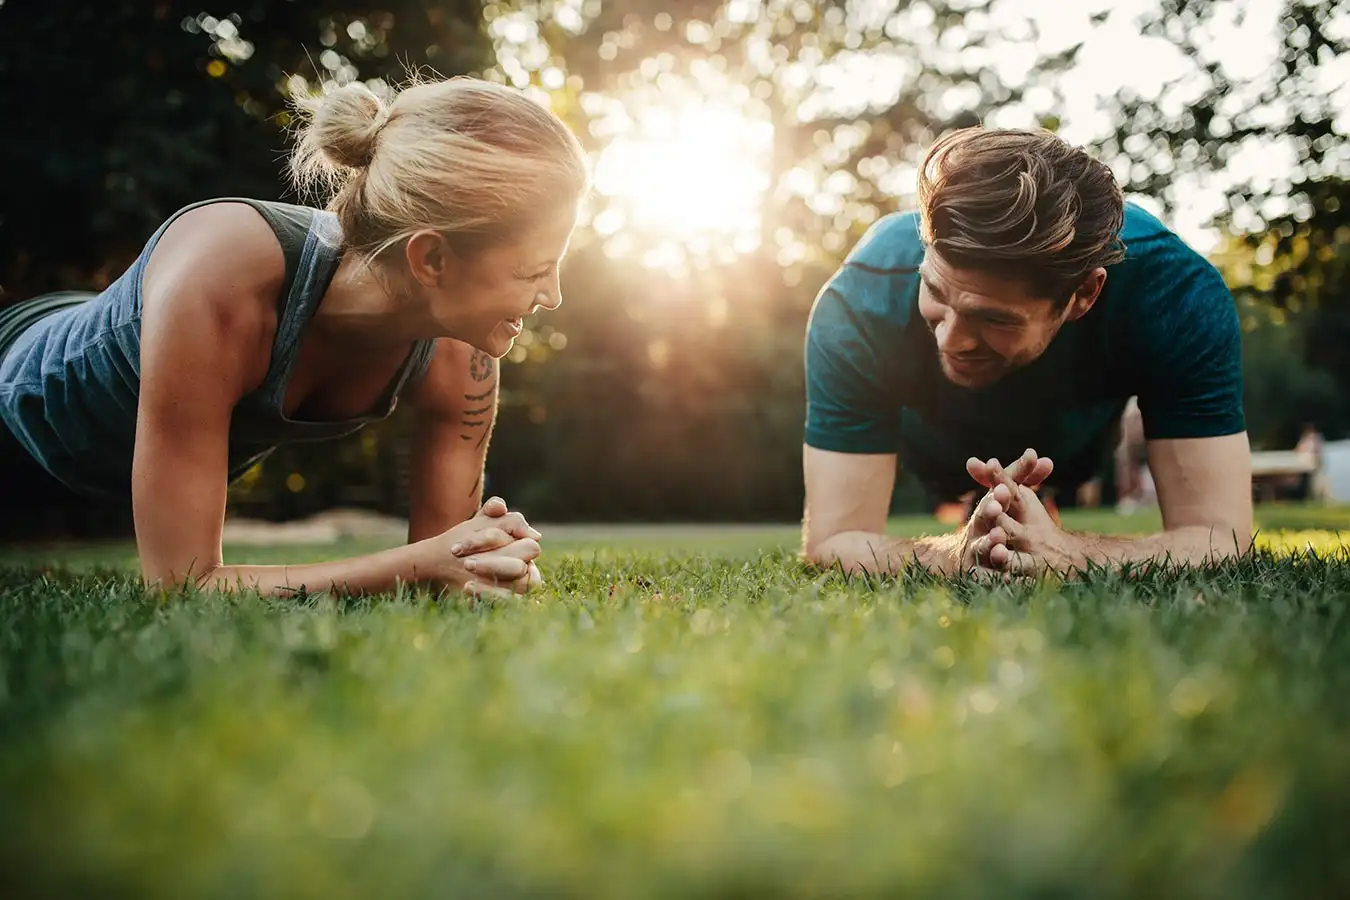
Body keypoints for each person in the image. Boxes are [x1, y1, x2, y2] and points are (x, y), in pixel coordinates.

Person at [0, 75, 590, 598]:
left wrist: (488, 565)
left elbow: (449, 565)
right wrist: (417, 564)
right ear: (431, 257)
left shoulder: (466, 357)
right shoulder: (221, 276)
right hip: (19, 394)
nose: (552, 296)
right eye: (531, 271)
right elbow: (183, 585)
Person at [801, 127, 1253, 577]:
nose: (950, 340)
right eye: (935, 289)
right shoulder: (860, 300)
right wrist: (955, 554)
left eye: (994, 318)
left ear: (1084, 294)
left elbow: (1222, 537)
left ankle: (1037, 502)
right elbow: (832, 541)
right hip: (936, 447)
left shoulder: (1174, 295)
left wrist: (1067, 552)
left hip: (1075, 445)